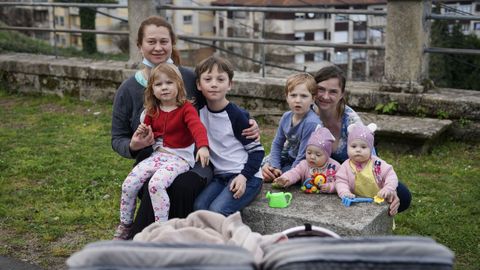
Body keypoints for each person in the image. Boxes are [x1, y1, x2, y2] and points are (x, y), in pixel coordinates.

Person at [111, 16, 259, 239]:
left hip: (194, 159)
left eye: (164, 41)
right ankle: (141, 240)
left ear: (172, 43)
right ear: (139, 46)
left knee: (181, 186)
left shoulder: (190, 79)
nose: (158, 47)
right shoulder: (128, 89)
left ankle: (171, 241)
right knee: (148, 183)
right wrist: (133, 145)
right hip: (153, 158)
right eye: (151, 42)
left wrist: (247, 121)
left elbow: (218, 100)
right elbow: (117, 138)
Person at [113, 63, 210, 240]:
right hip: (158, 155)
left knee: (156, 185)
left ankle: (161, 230)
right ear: (152, 89)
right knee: (129, 183)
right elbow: (147, 131)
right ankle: (126, 224)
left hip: (179, 158)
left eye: (169, 83)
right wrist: (143, 133)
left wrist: (202, 146)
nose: (164, 87)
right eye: (158, 84)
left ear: (179, 85)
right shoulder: (152, 110)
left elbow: (197, 128)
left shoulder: (186, 109)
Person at [312, 64, 411, 216]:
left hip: (353, 175)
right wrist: (269, 165)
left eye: (333, 91)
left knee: (403, 195)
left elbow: (370, 156)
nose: (325, 96)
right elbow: (289, 146)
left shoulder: (351, 120)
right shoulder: (308, 115)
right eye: (321, 89)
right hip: (319, 172)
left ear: (342, 94)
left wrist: (388, 188)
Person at [193, 56, 264, 216]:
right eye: (208, 79)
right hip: (220, 177)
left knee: (217, 210)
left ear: (230, 84)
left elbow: (257, 152)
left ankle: (225, 240)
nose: (214, 84)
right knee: (199, 207)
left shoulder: (237, 115)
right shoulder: (198, 112)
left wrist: (244, 177)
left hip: (247, 175)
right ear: (198, 84)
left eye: (220, 79)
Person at [261, 73, 321, 182]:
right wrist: (275, 166)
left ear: (313, 99)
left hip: (306, 162)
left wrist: (288, 174)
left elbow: (303, 155)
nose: (297, 100)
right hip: (289, 156)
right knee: (264, 166)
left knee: (282, 176)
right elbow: (277, 143)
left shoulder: (311, 123)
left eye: (304, 96)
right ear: (287, 97)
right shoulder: (286, 117)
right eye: (293, 95)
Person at [335, 123, 398, 200]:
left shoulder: (377, 163)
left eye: (363, 147)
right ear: (347, 148)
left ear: (371, 149)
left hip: (379, 199)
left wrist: (388, 188)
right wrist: (345, 192)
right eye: (353, 146)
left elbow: (390, 175)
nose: (358, 150)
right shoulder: (345, 166)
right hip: (356, 200)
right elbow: (341, 181)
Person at [273, 127, 340, 193]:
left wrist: (331, 187)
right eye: (309, 152)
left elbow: (342, 182)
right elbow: (294, 173)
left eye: (318, 155)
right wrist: (285, 178)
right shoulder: (304, 165)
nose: (312, 157)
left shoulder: (335, 166)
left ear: (327, 156)